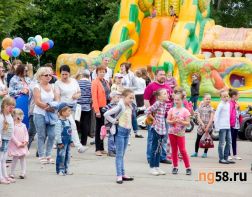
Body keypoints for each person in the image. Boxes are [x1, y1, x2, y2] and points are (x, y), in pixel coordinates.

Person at [104, 89, 135, 184]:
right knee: (119, 155)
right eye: (130, 97)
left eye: (133, 98)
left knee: (122, 155)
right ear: (123, 97)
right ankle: (119, 175)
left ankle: (123, 173)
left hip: (127, 132)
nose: (132, 100)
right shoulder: (120, 106)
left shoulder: (130, 106)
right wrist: (113, 121)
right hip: (120, 132)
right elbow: (106, 114)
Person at [55, 65, 87, 153]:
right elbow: (57, 96)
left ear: (69, 74)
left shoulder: (74, 81)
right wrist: (58, 109)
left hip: (74, 106)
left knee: (66, 126)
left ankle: (58, 142)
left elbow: (79, 92)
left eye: (66, 74)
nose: (64, 76)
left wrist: (76, 95)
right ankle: (79, 146)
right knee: (72, 125)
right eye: (62, 74)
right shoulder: (58, 83)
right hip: (64, 107)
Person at [144, 69, 173, 164]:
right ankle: (150, 156)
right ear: (156, 75)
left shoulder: (168, 87)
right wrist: (150, 114)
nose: (163, 76)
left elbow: (171, 99)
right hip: (155, 117)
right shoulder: (151, 86)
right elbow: (146, 100)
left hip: (166, 117)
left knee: (164, 137)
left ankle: (162, 156)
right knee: (152, 137)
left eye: (164, 74)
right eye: (161, 74)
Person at [33, 67, 60, 164]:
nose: (49, 77)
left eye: (50, 75)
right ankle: (41, 156)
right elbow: (37, 101)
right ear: (40, 76)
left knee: (52, 135)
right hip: (40, 113)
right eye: (46, 75)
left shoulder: (53, 86)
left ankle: (48, 155)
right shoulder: (37, 87)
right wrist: (48, 107)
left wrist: (54, 107)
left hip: (52, 114)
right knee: (42, 135)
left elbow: (57, 99)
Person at [146, 89, 170, 176]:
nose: (167, 94)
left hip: (162, 128)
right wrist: (153, 119)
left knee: (159, 149)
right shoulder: (157, 103)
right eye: (164, 93)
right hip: (156, 128)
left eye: (166, 93)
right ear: (159, 97)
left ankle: (157, 166)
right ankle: (152, 167)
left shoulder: (164, 104)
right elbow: (147, 111)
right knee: (154, 148)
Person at [167, 93, 191, 175]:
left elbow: (188, 123)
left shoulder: (185, 111)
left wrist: (181, 121)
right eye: (175, 100)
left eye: (178, 100)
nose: (176, 101)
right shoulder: (171, 110)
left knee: (182, 150)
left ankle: (188, 167)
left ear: (182, 100)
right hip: (171, 132)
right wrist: (173, 121)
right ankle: (175, 166)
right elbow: (168, 120)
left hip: (180, 133)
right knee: (174, 150)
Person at [91, 65, 110, 156]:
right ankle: (97, 148)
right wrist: (97, 110)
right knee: (99, 128)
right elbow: (94, 97)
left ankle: (102, 147)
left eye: (103, 71)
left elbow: (108, 94)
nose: (102, 73)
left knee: (104, 128)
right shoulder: (95, 82)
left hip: (106, 108)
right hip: (100, 108)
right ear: (97, 72)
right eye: (100, 71)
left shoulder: (106, 82)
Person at [214, 90, 235, 164]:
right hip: (222, 126)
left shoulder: (228, 104)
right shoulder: (220, 105)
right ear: (221, 98)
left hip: (227, 126)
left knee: (229, 142)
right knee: (222, 143)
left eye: (227, 96)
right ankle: (221, 158)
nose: (226, 98)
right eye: (224, 96)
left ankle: (226, 158)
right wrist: (216, 127)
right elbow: (216, 116)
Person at [191, 93, 214, 158]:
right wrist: (202, 124)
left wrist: (207, 126)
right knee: (198, 139)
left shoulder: (211, 108)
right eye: (207, 99)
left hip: (208, 127)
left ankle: (205, 153)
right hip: (201, 126)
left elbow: (211, 118)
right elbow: (198, 116)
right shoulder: (200, 107)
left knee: (207, 140)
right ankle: (196, 152)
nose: (208, 100)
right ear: (203, 99)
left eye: (209, 99)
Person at [8, 109, 29, 179]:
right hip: (16, 145)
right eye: (19, 115)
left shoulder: (23, 125)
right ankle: (12, 172)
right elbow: (12, 136)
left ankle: (23, 172)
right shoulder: (13, 125)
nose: (21, 117)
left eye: (21, 115)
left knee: (23, 159)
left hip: (23, 145)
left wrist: (26, 141)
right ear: (14, 117)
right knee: (15, 159)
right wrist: (18, 143)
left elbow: (26, 134)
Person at [55, 103, 74, 176]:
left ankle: (66, 168)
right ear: (62, 112)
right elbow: (58, 134)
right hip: (62, 142)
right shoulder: (59, 122)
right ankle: (60, 169)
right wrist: (59, 142)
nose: (70, 112)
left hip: (68, 141)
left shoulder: (68, 121)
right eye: (68, 111)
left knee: (68, 155)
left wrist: (71, 140)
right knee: (61, 155)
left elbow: (70, 132)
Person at [0, 96, 16, 184]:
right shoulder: (1, 116)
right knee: (0, 158)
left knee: (4, 159)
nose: (11, 108)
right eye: (9, 106)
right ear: (4, 106)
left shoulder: (9, 116)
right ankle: (1, 177)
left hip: (7, 139)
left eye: (13, 106)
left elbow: (12, 128)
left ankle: (5, 176)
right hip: (2, 140)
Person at [102, 91, 121, 157]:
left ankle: (114, 149)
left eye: (119, 97)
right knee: (111, 137)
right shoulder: (109, 105)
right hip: (109, 124)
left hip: (116, 123)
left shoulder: (118, 105)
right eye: (117, 97)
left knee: (115, 136)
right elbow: (104, 110)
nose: (119, 99)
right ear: (112, 97)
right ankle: (110, 151)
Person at [77, 69, 92, 146]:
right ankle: (84, 141)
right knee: (85, 124)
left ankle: (75, 140)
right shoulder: (90, 84)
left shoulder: (77, 83)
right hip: (87, 106)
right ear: (89, 76)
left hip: (78, 106)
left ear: (82, 75)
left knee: (77, 123)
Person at [228, 88, 242, 160]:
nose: (239, 96)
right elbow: (230, 114)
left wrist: (238, 109)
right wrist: (235, 108)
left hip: (236, 124)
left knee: (234, 139)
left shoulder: (236, 103)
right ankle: (228, 154)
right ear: (234, 96)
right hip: (231, 124)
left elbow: (238, 113)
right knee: (229, 140)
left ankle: (235, 154)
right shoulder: (230, 103)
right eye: (238, 94)